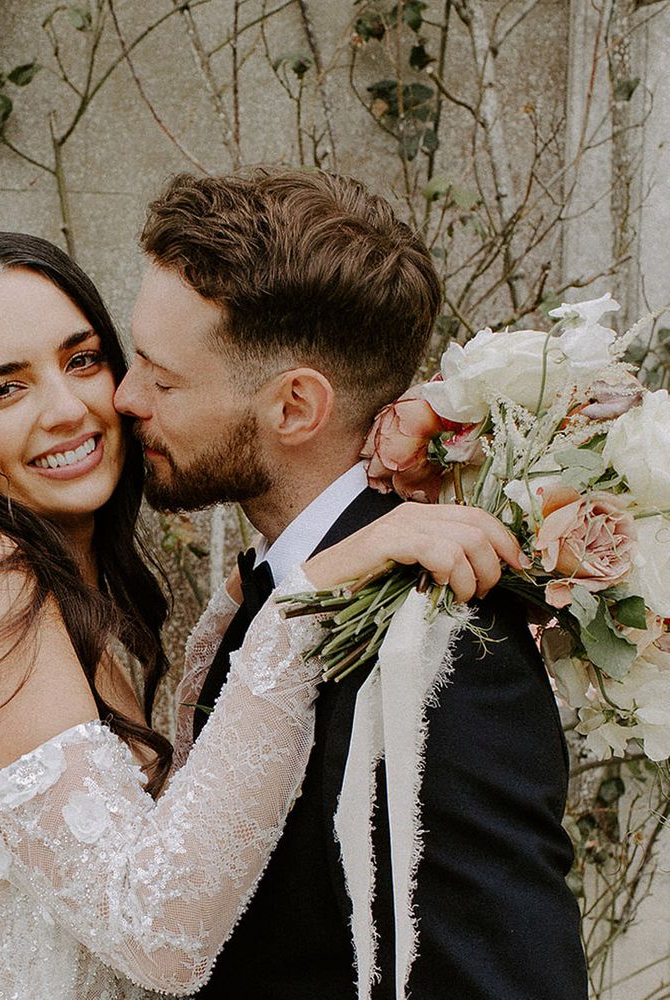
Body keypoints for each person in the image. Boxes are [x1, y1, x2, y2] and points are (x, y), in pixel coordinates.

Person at [0, 230, 519, 1000]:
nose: (70, 408)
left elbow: (171, 854)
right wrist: (302, 606)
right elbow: (155, 934)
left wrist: (227, 632)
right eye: (4, 389)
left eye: (82, 360)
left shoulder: (64, 611)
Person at [114, 169, 590, 1000]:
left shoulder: (442, 643)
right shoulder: (267, 594)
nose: (125, 398)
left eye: (162, 379)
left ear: (295, 407)